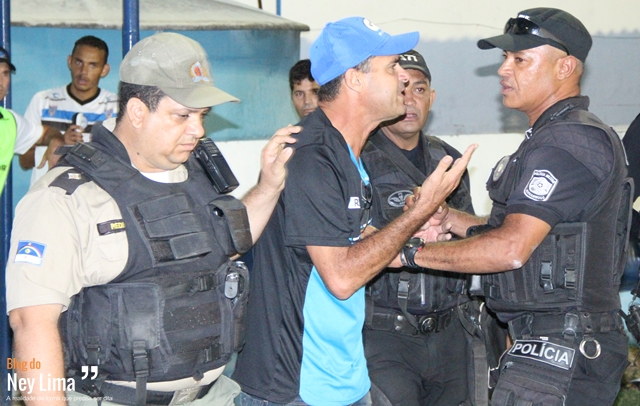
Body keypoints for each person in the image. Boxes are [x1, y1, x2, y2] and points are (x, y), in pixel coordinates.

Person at [6, 32, 299, 406]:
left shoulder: (197, 175)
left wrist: (269, 186)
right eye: (183, 115)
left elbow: (227, 247)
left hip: (211, 397)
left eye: (202, 115)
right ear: (137, 112)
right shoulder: (65, 196)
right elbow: (30, 325)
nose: (198, 130)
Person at [232, 17, 476, 406]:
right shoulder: (312, 156)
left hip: (341, 378)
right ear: (355, 79)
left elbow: (351, 242)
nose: (403, 77)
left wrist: (413, 233)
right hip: (296, 386)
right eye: (392, 67)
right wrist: (418, 213)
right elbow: (342, 277)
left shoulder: (344, 155)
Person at [406, 8, 632, 406]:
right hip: (548, 345)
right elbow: (535, 236)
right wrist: (449, 218)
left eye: (520, 59)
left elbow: (510, 248)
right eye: (505, 57)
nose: (503, 69)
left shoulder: (568, 143)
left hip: (562, 350)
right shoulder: (555, 136)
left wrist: (409, 254)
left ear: (565, 67)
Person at [360, 49, 505, 406]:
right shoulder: (358, 160)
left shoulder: (449, 160)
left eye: (419, 89)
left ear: (432, 97)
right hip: (385, 335)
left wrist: (446, 219)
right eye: (401, 88)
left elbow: (473, 239)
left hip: (450, 332)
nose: (410, 100)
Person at [21, 35, 118, 185]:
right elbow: (24, 161)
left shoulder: (117, 107)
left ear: (104, 70)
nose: (83, 71)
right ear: (69, 61)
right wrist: (59, 144)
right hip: (48, 195)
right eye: (79, 62)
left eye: (93, 65)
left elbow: (126, 162)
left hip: (95, 196)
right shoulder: (43, 101)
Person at [0, 46, 63, 194]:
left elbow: (46, 133)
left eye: (5, 73)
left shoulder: (10, 121)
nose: (1, 81)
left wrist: (56, 141)